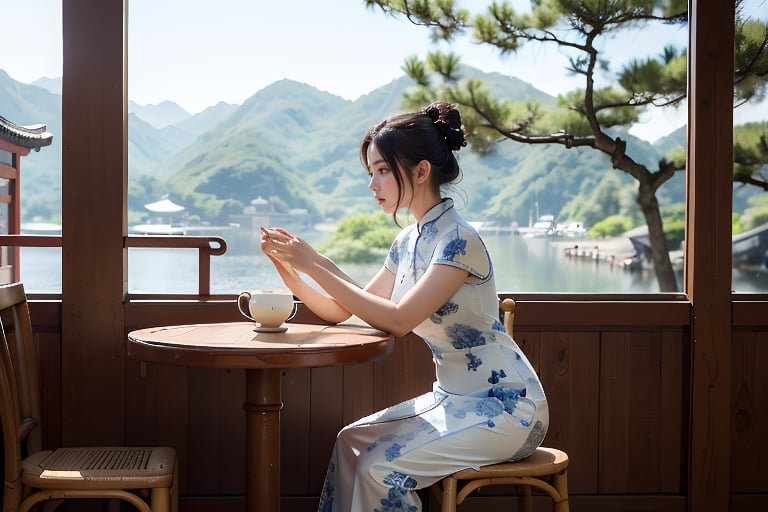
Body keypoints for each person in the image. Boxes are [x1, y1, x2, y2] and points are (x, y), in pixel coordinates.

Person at [260, 101, 549, 512]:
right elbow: (342, 311)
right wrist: (292, 271)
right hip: (452, 400)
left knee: (378, 469)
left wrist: (316, 263)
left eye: (381, 170)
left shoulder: (458, 240)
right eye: (371, 172)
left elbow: (396, 320)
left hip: (508, 408)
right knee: (350, 442)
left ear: (420, 171)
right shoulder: (407, 242)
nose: (372, 184)